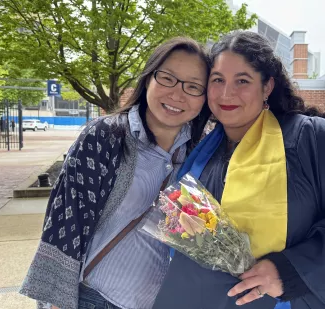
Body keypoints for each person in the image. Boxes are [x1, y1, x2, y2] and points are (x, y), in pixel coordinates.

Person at [153, 31, 325, 309]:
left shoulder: (315, 140)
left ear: (267, 87)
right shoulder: (202, 153)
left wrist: (290, 271)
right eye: (218, 80)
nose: (227, 93)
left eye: (243, 80)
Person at [19, 37, 211, 309]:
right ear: (148, 79)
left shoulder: (205, 150)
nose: (177, 94)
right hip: (95, 299)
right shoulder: (104, 136)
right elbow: (66, 219)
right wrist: (55, 302)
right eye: (167, 78)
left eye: (193, 86)